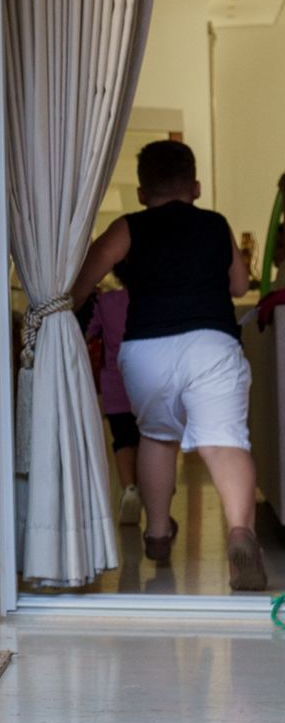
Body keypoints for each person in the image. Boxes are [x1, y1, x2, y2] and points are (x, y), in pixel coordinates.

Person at [72, 140, 265, 590]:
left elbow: (86, 276)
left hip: (147, 349)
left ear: (142, 193)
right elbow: (239, 286)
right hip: (211, 343)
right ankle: (241, 532)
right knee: (224, 442)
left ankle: (157, 532)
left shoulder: (128, 226)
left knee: (157, 438)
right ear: (195, 187)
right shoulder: (215, 224)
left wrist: (62, 310)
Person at [84, 281, 142, 527]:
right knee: (151, 440)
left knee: (123, 440)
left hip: (116, 385)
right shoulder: (152, 295)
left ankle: (130, 489)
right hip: (148, 382)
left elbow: (88, 333)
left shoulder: (106, 302)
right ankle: (153, 493)